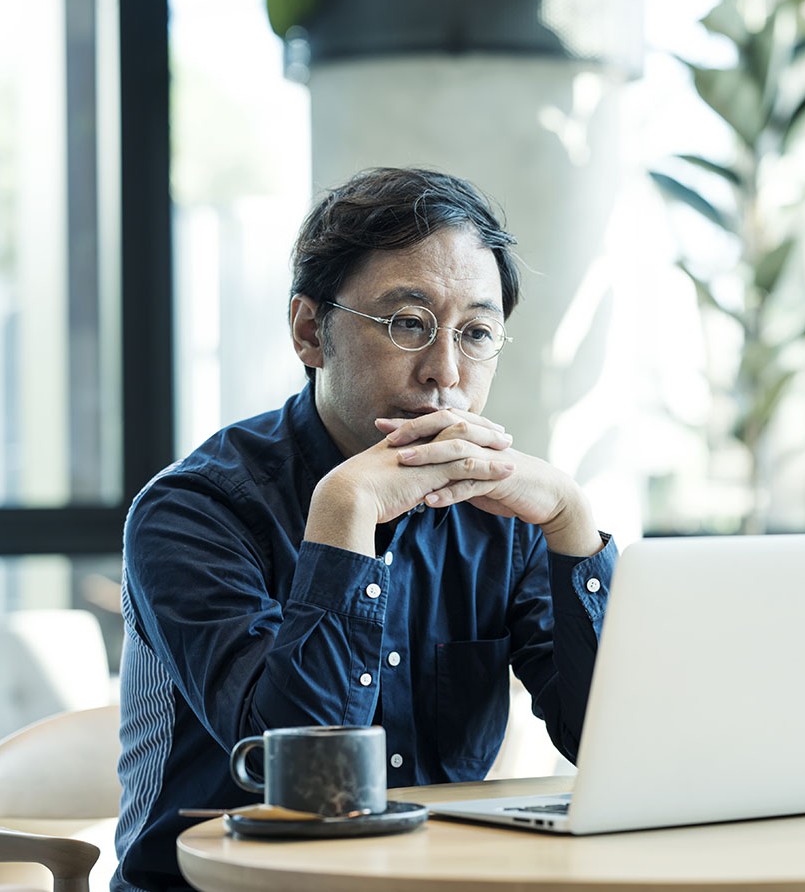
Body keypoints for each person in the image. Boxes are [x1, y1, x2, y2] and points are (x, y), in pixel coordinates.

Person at [112, 167, 615, 892]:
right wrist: (345, 514)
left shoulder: (504, 515)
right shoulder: (194, 511)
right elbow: (310, 799)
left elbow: (608, 743)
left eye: (475, 333)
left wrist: (572, 523)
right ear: (311, 331)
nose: (445, 372)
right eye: (408, 324)